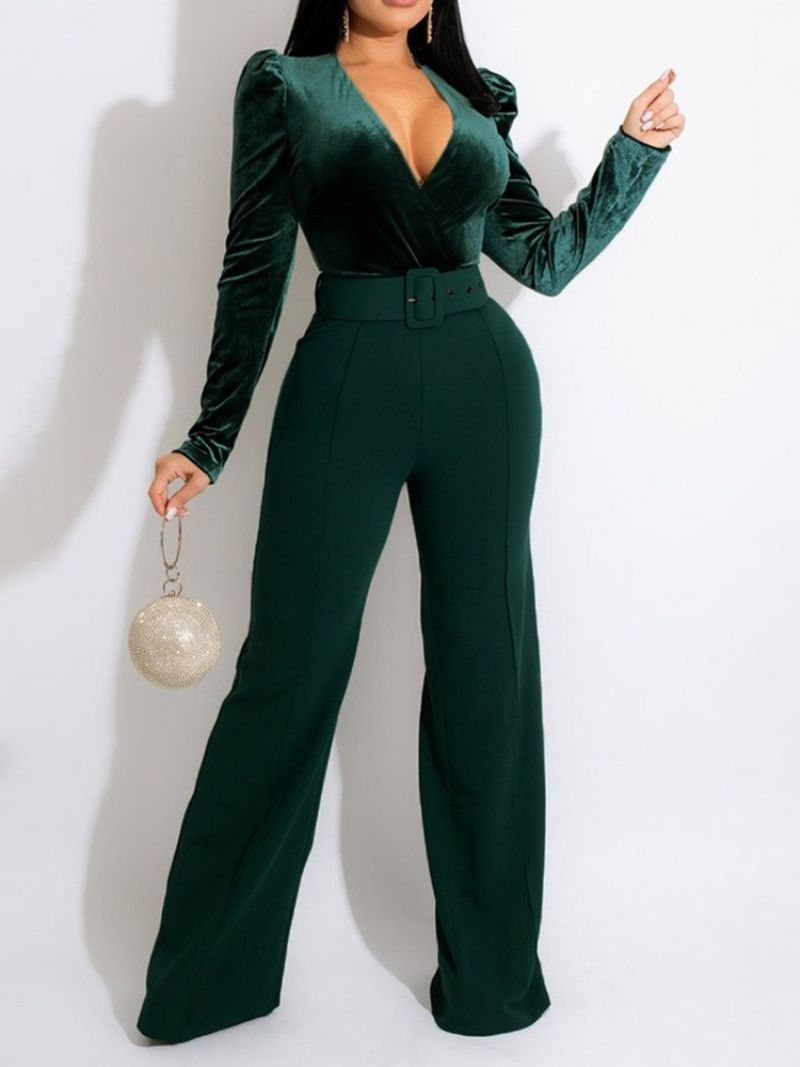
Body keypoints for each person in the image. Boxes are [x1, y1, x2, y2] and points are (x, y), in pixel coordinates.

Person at [138, 0, 684, 1045]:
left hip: (485, 382)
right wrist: (208, 438)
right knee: (289, 668)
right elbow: (254, 266)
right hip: (346, 379)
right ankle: (206, 983)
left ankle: (492, 983)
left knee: (488, 669)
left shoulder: (479, 98)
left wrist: (633, 155)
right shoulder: (285, 87)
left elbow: (541, 259)